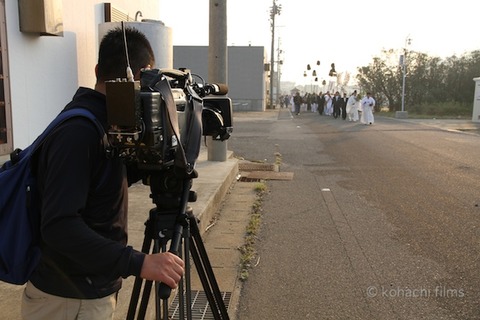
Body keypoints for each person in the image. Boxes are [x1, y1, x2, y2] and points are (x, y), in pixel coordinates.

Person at [21, 27, 185, 320]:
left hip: (80, 296)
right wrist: (139, 263)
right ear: (143, 79)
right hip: (68, 302)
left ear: (96, 69)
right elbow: (59, 226)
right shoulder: (81, 132)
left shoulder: (105, 125)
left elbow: (98, 183)